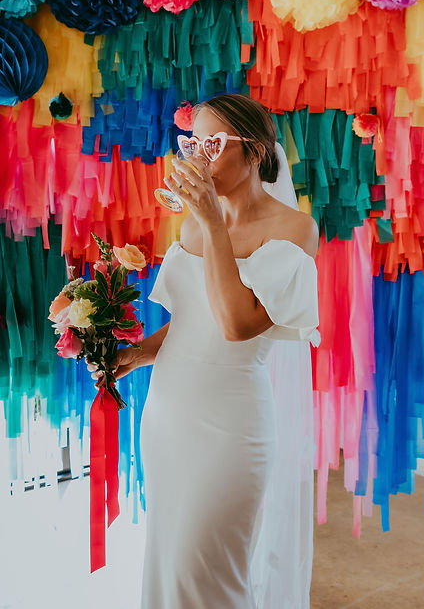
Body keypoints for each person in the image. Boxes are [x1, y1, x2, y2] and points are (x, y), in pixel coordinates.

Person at [89, 93, 320, 608]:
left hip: (230, 428)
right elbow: (190, 322)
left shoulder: (294, 230)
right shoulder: (194, 222)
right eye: (194, 143)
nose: (198, 156)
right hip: (168, 418)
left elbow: (235, 325)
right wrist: (135, 354)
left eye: (212, 144)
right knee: (169, 563)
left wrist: (215, 221)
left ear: (256, 151)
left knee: (209, 573)